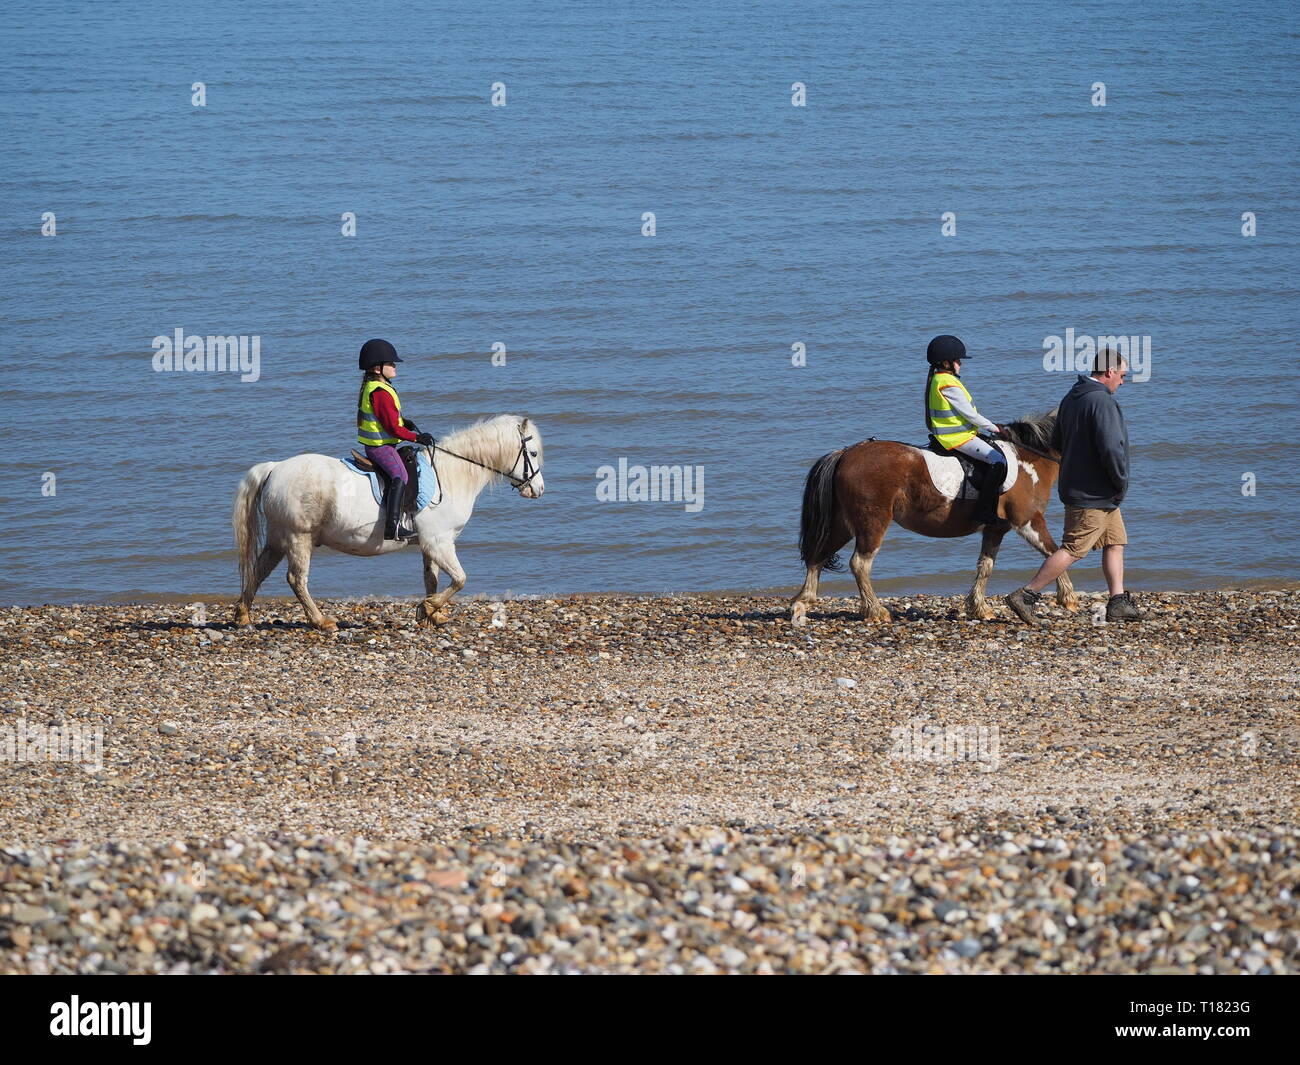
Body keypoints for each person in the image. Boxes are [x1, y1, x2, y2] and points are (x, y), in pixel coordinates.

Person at [1005, 347, 1142, 625]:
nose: (1123, 382)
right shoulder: (1102, 402)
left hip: (1084, 487)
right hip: (1094, 491)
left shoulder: (1071, 397)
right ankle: (1026, 594)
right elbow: (1111, 448)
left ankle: (1117, 601)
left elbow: (1057, 442)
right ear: (1109, 372)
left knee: (1115, 542)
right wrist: (1120, 480)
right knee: (1073, 549)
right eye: (1122, 375)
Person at [925, 334, 1008, 529]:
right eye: (957, 360)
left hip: (952, 434)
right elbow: (970, 414)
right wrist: (995, 428)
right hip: (955, 438)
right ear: (946, 363)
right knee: (998, 460)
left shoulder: (938, 379)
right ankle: (984, 512)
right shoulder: (948, 383)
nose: (960, 364)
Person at [356, 338, 435, 541]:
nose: (394, 366)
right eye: (390, 363)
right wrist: (417, 437)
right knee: (401, 476)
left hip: (379, 444)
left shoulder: (375, 386)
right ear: (376, 368)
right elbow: (392, 428)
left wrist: (403, 421)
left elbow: (388, 419)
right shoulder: (380, 392)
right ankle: (393, 527)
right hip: (380, 447)